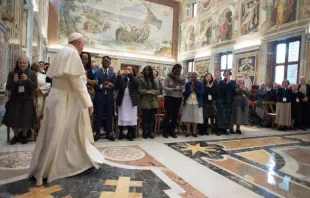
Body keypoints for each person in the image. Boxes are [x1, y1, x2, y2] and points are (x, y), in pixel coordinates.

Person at [28, 33, 104, 186]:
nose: (83, 48)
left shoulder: (61, 52)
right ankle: (56, 167)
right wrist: (88, 102)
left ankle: (44, 167)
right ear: (77, 42)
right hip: (66, 99)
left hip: (56, 97)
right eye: (83, 44)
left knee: (53, 132)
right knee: (65, 132)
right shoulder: (72, 53)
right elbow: (77, 83)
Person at [2, 56, 38, 145]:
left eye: (24, 63)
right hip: (15, 99)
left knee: (26, 119)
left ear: (27, 63)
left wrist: (27, 80)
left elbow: (35, 86)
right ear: (17, 63)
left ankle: (24, 135)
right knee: (13, 119)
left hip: (27, 99)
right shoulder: (12, 73)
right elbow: (8, 87)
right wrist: (14, 81)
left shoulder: (32, 73)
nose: (22, 64)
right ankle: (16, 135)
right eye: (20, 63)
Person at [93, 56, 116, 141]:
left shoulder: (113, 73)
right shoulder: (97, 72)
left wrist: (111, 86)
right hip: (99, 97)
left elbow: (114, 86)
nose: (106, 63)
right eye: (104, 61)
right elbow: (95, 85)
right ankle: (98, 134)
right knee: (98, 116)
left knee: (109, 116)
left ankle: (108, 134)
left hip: (109, 98)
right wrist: (103, 85)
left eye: (108, 62)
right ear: (102, 62)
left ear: (110, 63)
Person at [115, 66, 140, 141]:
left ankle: (130, 133)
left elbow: (136, 84)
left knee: (131, 117)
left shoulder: (135, 78)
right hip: (123, 100)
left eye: (130, 69)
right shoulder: (123, 78)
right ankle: (121, 133)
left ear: (132, 71)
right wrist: (119, 76)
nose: (128, 70)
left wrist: (130, 75)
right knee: (122, 116)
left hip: (131, 101)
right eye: (127, 69)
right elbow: (117, 86)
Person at [163, 64, 186, 138]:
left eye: (180, 70)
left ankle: (172, 131)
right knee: (168, 114)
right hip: (169, 97)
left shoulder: (181, 77)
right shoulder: (168, 77)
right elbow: (165, 88)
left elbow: (184, 86)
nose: (178, 71)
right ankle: (165, 131)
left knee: (175, 115)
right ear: (174, 69)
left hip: (178, 97)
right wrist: (173, 89)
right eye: (177, 70)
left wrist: (182, 89)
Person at [138, 66, 160, 139]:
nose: (147, 72)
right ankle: (144, 132)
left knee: (152, 118)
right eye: (146, 70)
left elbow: (158, 90)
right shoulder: (141, 79)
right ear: (144, 71)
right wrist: (147, 91)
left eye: (149, 70)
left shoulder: (155, 79)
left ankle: (150, 132)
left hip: (153, 101)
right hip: (145, 100)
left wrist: (155, 92)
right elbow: (139, 90)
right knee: (145, 118)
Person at [181, 72, 204, 137]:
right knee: (188, 116)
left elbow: (202, 93)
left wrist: (195, 89)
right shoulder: (187, 84)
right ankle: (188, 131)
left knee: (196, 117)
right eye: (192, 75)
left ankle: (194, 131)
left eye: (195, 74)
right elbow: (184, 93)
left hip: (197, 102)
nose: (193, 76)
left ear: (197, 76)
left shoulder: (200, 84)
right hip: (188, 102)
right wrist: (190, 90)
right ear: (190, 76)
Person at [216, 70, 235, 135]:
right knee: (220, 115)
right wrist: (227, 84)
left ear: (230, 75)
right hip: (222, 101)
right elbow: (221, 91)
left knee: (227, 116)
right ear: (223, 75)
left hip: (229, 101)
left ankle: (226, 129)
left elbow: (233, 91)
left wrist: (229, 84)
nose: (227, 74)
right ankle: (218, 129)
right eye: (225, 74)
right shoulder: (221, 82)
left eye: (228, 73)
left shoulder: (233, 82)